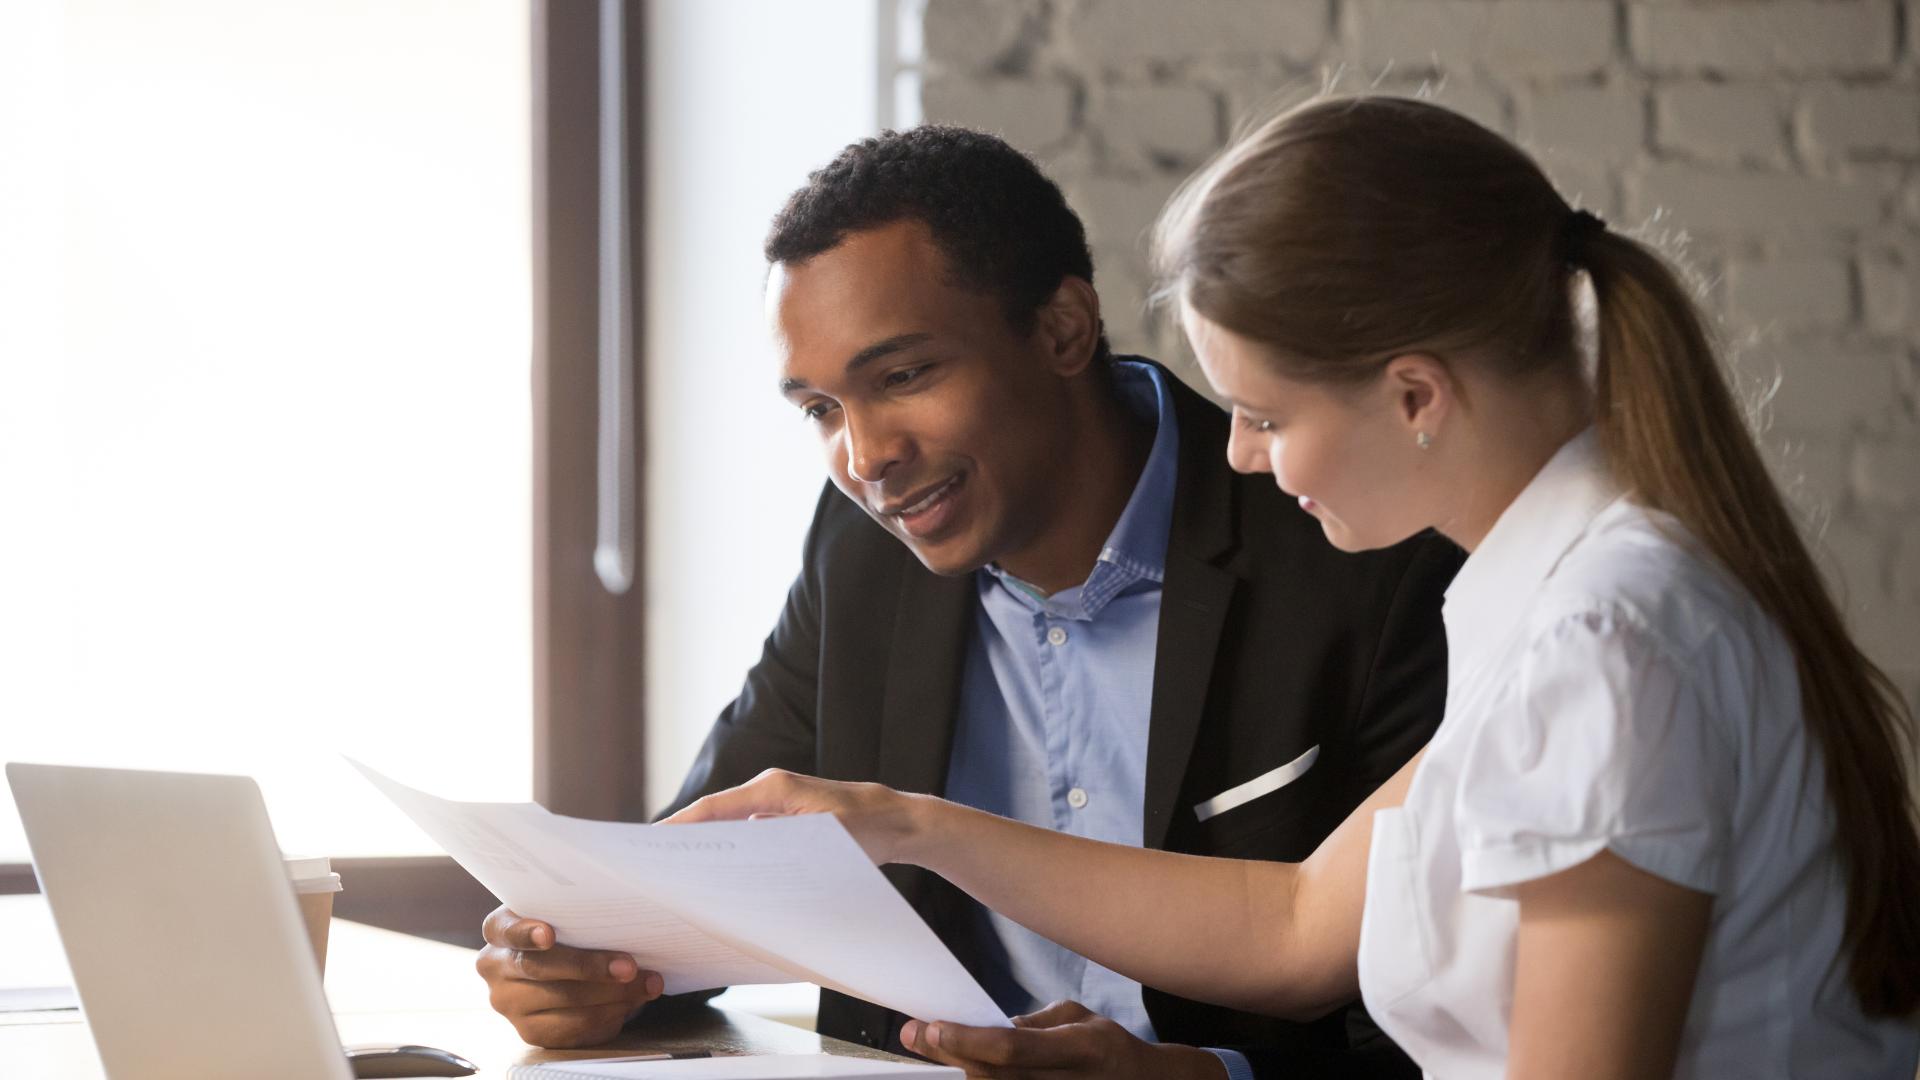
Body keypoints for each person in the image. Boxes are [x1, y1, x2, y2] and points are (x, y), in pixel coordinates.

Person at [668, 97, 1920, 1080]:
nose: (1239, 455)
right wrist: (905, 824)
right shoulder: (1558, 597)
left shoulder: (1606, 640)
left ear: (1416, 395)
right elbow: (1295, 923)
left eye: (1265, 413)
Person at [475, 127, 1464, 1077]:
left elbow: (1453, 1024)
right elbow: (702, 875)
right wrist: (590, 969)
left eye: (904, 375)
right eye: (820, 409)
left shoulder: (1361, 552)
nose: (863, 459)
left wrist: (1207, 1078)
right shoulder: (861, 548)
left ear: (1064, 329)